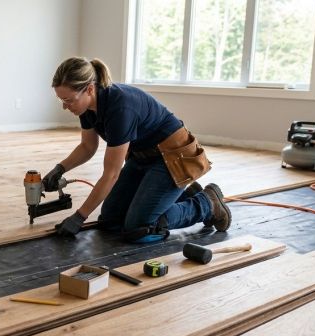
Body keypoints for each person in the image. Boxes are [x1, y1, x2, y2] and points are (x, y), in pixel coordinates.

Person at [43, 57, 231, 243]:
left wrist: (79, 217)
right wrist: (60, 168)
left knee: (140, 228)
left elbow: (111, 174)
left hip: (173, 160)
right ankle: (183, 194)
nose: (64, 106)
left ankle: (207, 204)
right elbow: (88, 146)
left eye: (68, 100)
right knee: (110, 221)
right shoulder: (87, 107)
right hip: (142, 159)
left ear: (89, 89)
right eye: (61, 100)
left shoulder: (120, 108)